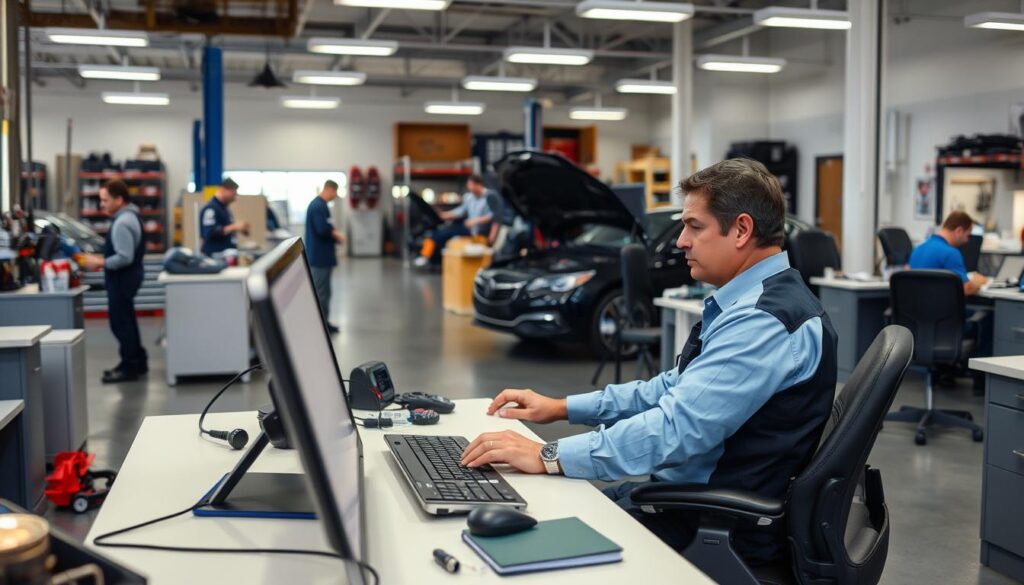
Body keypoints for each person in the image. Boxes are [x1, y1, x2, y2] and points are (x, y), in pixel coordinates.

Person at [461, 158, 839, 566]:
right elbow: (669, 387)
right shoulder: (753, 302)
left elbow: (674, 430)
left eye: (695, 226)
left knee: (522, 553)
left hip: (709, 524)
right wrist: (563, 407)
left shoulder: (763, 322)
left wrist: (547, 456)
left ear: (742, 230)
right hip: (683, 501)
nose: (680, 241)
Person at [81, 180, 149, 383]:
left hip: (122, 277)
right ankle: (138, 361)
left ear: (119, 199)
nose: (102, 204)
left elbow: (124, 256)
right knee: (128, 320)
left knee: (120, 324)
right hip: (129, 276)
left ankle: (128, 368)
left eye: (105, 200)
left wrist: (98, 261)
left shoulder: (122, 222)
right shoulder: (131, 215)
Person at [413, 175, 494, 267]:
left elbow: (493, 215)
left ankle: (427, 256)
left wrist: (475, 221)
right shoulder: (470, 197)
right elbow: (460, 211)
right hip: (469, 229)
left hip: (480, 231)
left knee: (446, 233)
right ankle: (426, 256)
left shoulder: (490, 196)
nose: (469, 188)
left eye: (471, 185)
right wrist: (444, 215)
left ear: (478, 184)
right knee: (439, 234)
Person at [908, 210, 988, 296]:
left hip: (916, 307)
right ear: (959, 231)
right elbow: (965, 289)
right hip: (939, 307)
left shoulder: (917, 249)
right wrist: (978, 281)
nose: (967, 240)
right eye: (967, 235)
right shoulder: (951, 254)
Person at [304, 180, 346, 334]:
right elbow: (322, 229)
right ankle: (320, 327)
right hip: (319, 258)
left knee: (325, 292)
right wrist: (337, 235)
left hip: (323, 257)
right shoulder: (317, 206)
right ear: (328, 189)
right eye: (334, 192)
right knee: (321, 293)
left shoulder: (321, 206)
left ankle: (324, 323)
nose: (335, 196)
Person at [199, 178, 249, 256]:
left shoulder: (223, 208)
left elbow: (225, 228)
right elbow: (210, 232)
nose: (234, 198)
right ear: (223, 189)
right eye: (233, 193)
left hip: (226, 254)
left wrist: (238, 228)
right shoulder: (211, 208)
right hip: (214, 256)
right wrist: (235, 227)